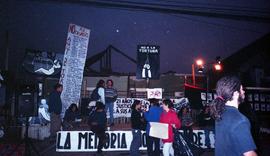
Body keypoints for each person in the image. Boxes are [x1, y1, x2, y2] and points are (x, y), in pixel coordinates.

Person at [210, 75, 257, 156]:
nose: (244, 91)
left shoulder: (221, 112)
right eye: (241, 89)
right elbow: (249, 154)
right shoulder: (240, 120)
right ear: (235, 94)